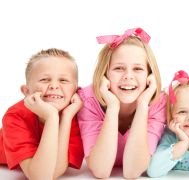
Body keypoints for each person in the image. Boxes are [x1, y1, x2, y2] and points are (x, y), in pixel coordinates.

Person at [77, 27, 166, 179]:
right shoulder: (88, 100)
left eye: (138, 68)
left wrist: (143, 105)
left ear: (149, 75)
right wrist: (112, 107)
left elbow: (132, 172)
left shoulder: (157, 102)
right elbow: (101, 171)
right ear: (105, 73)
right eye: (119, 68)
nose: (128, 76)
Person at [0, 48, 84, 179]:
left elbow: (54, 171)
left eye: (63, 80)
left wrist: (66, 118)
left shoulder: (74, 115)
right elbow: (39, 177)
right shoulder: (15, 116)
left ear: (76, 92)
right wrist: (52, 117)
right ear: (27, 91)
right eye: (44, 79)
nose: (54, 86)